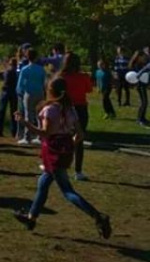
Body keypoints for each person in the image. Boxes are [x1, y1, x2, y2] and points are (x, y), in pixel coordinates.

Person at [13, 78, 111, 238]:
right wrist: (70, 145)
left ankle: (98, 216)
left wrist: (24, 122)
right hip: (64, 149)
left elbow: (45, 133)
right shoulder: (69, 109)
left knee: (67, 191)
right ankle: (31, 218)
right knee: (43, 183)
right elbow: (79, 134)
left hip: (52, 151)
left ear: (50, 91)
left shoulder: (50, 110)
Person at [58, 52, 93, 180]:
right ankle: (78, 171)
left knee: (62, 137)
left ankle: (59, 166)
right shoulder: (83, 76)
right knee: (79, 139)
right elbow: (89, 89)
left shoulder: (61, 77)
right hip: (80, 108)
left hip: (65, 108)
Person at [16, 48, 47, 145]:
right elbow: (44, 82)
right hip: (40, 93)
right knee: (40, 115)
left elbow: (20, 84)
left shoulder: (25, 69)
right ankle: (40, 136)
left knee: (28, 115)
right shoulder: (41, 69)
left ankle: (27, 137)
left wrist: (20, 93)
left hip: (29, 93)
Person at [0, 58, 19, 137]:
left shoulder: (7, 71)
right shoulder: (16, 72)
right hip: (13, 93)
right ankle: (14, 131)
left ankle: (0, 130)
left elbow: (5, 79)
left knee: (2, 111)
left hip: (5, 92)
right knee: (13, 112)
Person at [129, 49, 149, 127]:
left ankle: (142, 118)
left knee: (145, 102)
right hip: (140, 85)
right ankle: (140, 119)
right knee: (143, 102)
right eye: (143, 56)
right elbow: (136, 75)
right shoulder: (136, 65)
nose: (145, 58)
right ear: (139, 57)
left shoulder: (141, 63)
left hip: (142, 84)